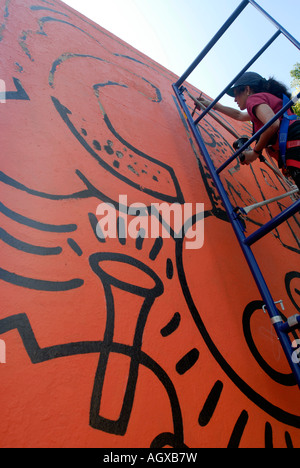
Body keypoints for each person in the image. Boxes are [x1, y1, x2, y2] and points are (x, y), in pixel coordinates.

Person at [198, 71, 300, 190]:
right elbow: (239, 115)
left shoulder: (253, 99)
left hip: (294, 145)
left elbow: (272, 123)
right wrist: (212, 105)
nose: (235, 99)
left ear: (247, 89)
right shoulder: (267, 101)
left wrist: (255, 152)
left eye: (236, 94)